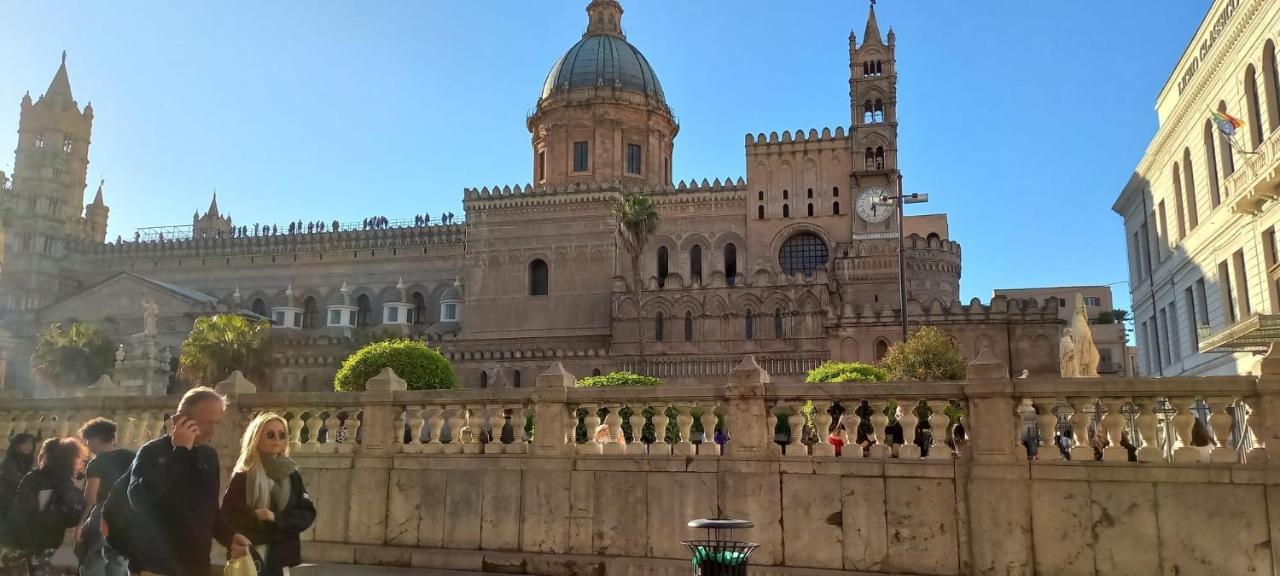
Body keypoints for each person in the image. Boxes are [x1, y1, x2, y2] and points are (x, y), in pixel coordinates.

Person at [118, 387, 249, 576]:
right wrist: (180, 452)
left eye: (216, 423)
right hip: (155, 567)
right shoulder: (152, 452)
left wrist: (229, 537)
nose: (211, 431)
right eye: (206, 423)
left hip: (196, 567)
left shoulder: (208, 456)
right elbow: (139, 499)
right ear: (181, 419)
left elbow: (209, 510)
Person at [221, 414, 314, 576]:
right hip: (251, 554)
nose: (277, 439)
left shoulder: (292, 474)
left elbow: (306, 513)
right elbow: (229, 516)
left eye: (282, 434)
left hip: (282, 555)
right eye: (270, 434)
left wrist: (276, 518)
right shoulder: (244, 475)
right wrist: (256, 517)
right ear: (256, 437)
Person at [1, 437, 87, 576]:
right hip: (50, 538)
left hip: (23, 538)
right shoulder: (66, 481)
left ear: (45, 455)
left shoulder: (33, 478)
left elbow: (23, 511)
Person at [77, 419, 135, 576]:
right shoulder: (133, 457)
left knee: (94, 560)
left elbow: (90, 498)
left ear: (95, 439)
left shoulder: (97, 463)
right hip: (129, 513)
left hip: (104, 512)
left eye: (87, 441)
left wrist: (80, 524)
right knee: (119, 562)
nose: (87, 446)